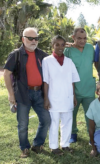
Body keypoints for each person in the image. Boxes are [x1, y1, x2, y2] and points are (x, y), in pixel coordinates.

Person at [3, 27, 51, 158]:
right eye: (30, 38)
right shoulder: (16, 54)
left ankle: (37, 144)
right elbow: (6, 74)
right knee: (23, 124)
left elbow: (55, 61)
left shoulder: (42, 54)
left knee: (46, 119)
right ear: (23, 39)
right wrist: (11, 94)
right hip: (22, 94)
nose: (34, 41)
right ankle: (24, 147)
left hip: (39, 93)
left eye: (36, 38)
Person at [42, 35, 80, 155]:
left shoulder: (69, 62)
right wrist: (46, 98)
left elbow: (73, 80)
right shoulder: (47, 61)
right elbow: (46, 81)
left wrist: (73, 96)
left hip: (67, 96)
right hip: (53, 97)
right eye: (57, 44)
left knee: (67, 121)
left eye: (62, 44)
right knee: (54, 122)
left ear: (65, 46)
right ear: (52, 45)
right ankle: (54, 147)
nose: (60, 47)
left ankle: (65, 144)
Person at [64, 28, 96, 143]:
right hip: (74, 89)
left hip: (89, 88)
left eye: (84, 38)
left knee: (91, 114)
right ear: (73, 38)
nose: (82, 41)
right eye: (79, 38)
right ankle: (73, 133)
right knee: (72, 113)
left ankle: (91, 134)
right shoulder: (68, 51)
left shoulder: (90, 48)